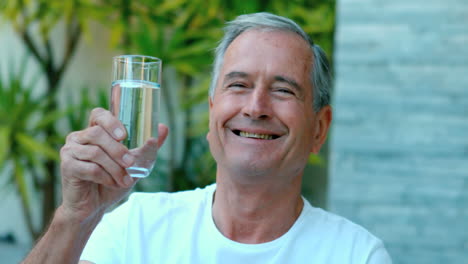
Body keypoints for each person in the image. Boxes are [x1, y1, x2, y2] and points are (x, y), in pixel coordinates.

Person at [22, 12, 392, 264]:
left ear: (319, 129)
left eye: (282, 90)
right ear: (213, 111)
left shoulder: (354, 255)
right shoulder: (136, 227)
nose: (255, 107)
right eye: (238, 85)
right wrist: (75, 217)